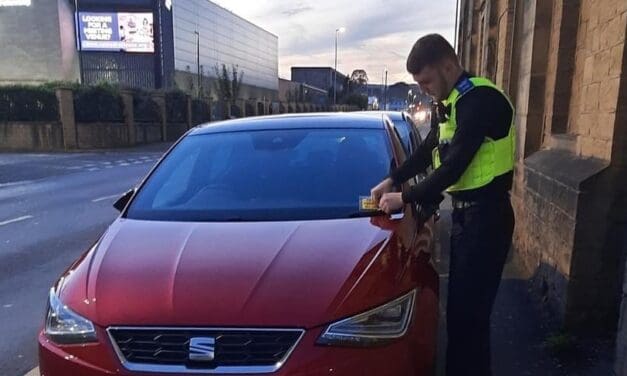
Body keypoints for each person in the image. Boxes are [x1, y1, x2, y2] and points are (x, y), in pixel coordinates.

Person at [371, 33, 516, 376]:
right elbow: (427, 152)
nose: (423, 89)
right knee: (462, 319)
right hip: (470, 221)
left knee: (470, 321)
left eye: (426, 81)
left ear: (448, 66)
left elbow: (454, 165)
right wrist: (392, 179)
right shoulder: (450, 103)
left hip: (487, 219)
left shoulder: (479, 100)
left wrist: (404, 197)